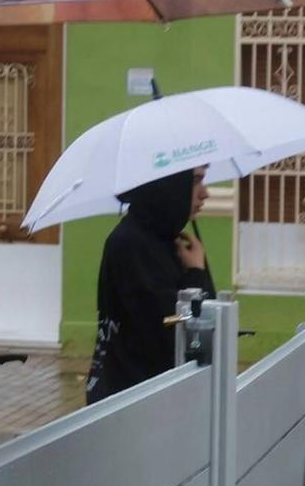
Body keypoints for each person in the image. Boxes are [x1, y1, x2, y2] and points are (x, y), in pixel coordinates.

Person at [84, 166, 213, 403]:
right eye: (195, 181)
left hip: (153, 398)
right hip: (132, 403)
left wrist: (196, 269)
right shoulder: (131, 245)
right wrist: (195, 273)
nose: (205, 193)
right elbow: (173, 330)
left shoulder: (166, 240)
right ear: (169, 184)